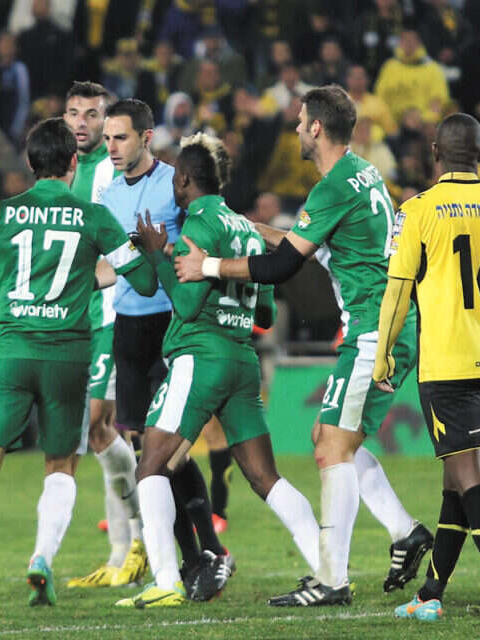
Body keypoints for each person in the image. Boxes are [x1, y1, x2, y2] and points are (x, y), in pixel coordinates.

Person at [175, 85, 433, 605]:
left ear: (316, 127)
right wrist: (253, 227)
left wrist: (209, 265)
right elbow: (309, 247)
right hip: (388, 324)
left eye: (299, 121)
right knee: (329, 436)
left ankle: (332, 580)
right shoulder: (362, 173)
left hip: (375, 329)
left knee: (331, 446)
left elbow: (281, 267)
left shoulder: (332, 187)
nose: (294, 129)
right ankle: (405, 532)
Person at [0, 117, 158, 611]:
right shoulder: (94, 217)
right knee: (60, 466)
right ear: (73, 164)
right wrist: (139, 252)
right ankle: (42, 558)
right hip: (68, 359)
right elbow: (145, 282)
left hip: (12, 355)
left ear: (28, 162)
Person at [114, 133, 322, 608]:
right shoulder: (246, 228)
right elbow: (264, 313)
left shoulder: (198, 223)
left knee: (150, 466)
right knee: (265, 478)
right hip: (242, 360)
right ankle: (328, 570)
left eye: (175, 179)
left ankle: (167, 581)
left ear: (186, 179)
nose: (173, 187)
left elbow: (187, 306)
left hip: (200, 356)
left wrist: (158, 254)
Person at [373, 112, 480, 627]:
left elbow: (397, 292)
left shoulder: (417, 210)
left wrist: (384, 353)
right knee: (456, 479)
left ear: (434, 153)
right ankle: (431, 592)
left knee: (469, 473)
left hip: (447, 364)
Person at [99, 98, 231, 598]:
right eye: (108, 138)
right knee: (145, 453)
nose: (112, 147)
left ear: (146, 137)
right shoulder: (109, 195)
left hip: (169, 326)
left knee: (168, 450)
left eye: (120, 137)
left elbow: (205, 237)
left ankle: (211, 551)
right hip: (128, 330)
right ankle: (194, 558)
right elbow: (112, 265)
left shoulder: (175, 184)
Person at [60, 81, 149, 590]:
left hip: (116, 310)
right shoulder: (67, 171)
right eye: (74, 112)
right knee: (101, 434)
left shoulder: (110, 172)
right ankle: (122, 552)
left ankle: (140, 541)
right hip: (84, 315)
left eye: (91, 114)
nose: (81, 122)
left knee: (101, 422)